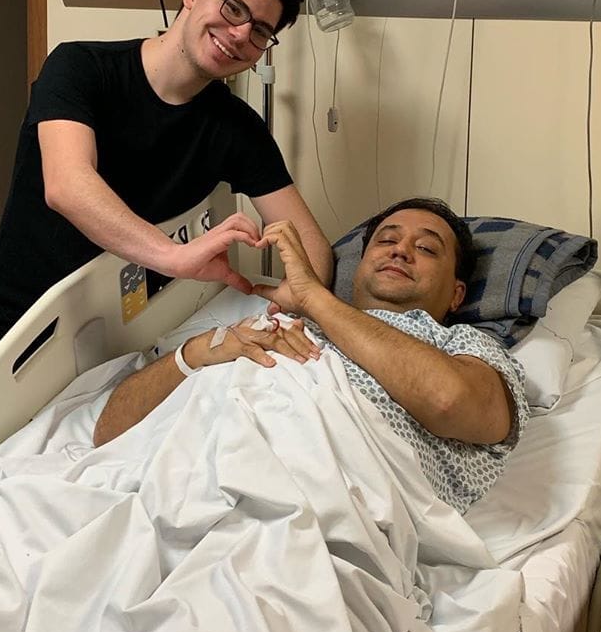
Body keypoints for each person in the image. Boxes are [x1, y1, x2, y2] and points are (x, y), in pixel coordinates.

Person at [0, 0, 332, 369]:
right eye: (233, 8)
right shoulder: (80, 68)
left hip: (131, 333)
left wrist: (298, 297)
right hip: (24, 326)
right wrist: (175, 257)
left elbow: (310, 242)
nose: (239, 35)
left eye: (260, 31)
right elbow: (67, 185)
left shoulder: (236, 127)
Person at [94, 198, 528, 514]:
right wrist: (195, 355)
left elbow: (450, 401)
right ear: (358, 267)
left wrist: (314, 298)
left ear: (456, 294)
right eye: (386, 240)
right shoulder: (275, 325)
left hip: (312, 507)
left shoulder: (463, 347)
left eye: (427, 249)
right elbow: (109, 433)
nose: (400, 250)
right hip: (181, 485)